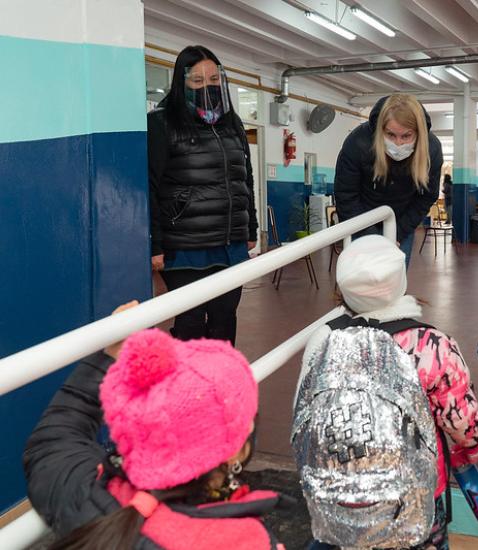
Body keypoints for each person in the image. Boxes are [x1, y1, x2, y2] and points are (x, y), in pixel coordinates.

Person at [24, 302, 285, 550]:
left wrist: (109, 356)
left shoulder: (84, 493)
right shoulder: (249, 541)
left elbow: (54, 439)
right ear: (235, 454)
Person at [299, 235, 478, 550]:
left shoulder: (324, 341)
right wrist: (470, 453)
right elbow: (462, 423)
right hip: (414, 494)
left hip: (343, 493)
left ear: (342, 289)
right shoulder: (431, 346)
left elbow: (304, 418)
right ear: (400, 280)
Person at [148, 45, 257, 344]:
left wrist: (251, 228)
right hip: (185, 245)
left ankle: (222, 385)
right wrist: (155, 244)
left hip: (230, 244)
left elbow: (244, 178)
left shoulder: (232, 124)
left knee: (225, 320)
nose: (207, 86)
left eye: (213, 79)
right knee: (190, 323)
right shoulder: (161, 123)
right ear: (181, 83)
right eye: (197, 81)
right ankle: (188, 388)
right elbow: (152, 186)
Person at [334, 94, 443, 267]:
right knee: (359, 281)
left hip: (401, 221)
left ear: (418, 133)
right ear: (380, 130)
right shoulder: (357, 143)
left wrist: (397, 233)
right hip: (360, 218)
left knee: (394, 279)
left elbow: (426, 197)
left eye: (406, 136)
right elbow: (346, 196)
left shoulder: (432, 149)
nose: (398, 143)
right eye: (390, 135)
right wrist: (373, 237)